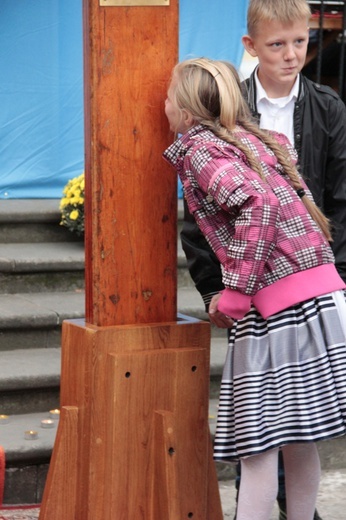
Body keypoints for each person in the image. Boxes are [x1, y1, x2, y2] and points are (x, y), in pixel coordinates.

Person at [180, 1, 346, 518]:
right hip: (268, 290)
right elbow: (201, 225)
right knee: (277, 438)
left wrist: (333, 280)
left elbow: (333, 201)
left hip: (301, 290)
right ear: (251, 47)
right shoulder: (237, 109)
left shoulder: (326, 108)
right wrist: (218, 291)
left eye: (300, 42)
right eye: (278, 44)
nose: (293, 54)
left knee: (275, 437)